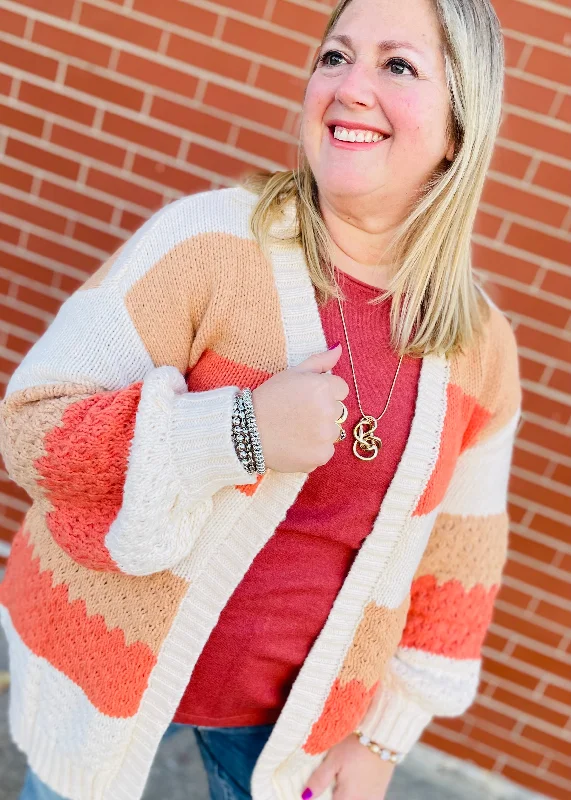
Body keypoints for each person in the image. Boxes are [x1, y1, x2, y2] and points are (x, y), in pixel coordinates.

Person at [0, 0, 521, 798]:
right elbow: (29, 431)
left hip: (290, 735)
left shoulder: (479, 347)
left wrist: (383, 741)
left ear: (459, 129)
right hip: (100, 675)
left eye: (398, 65)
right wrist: (235, 433)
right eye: (335, 56)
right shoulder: (207, 245)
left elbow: (461, 555)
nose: (349, 87)